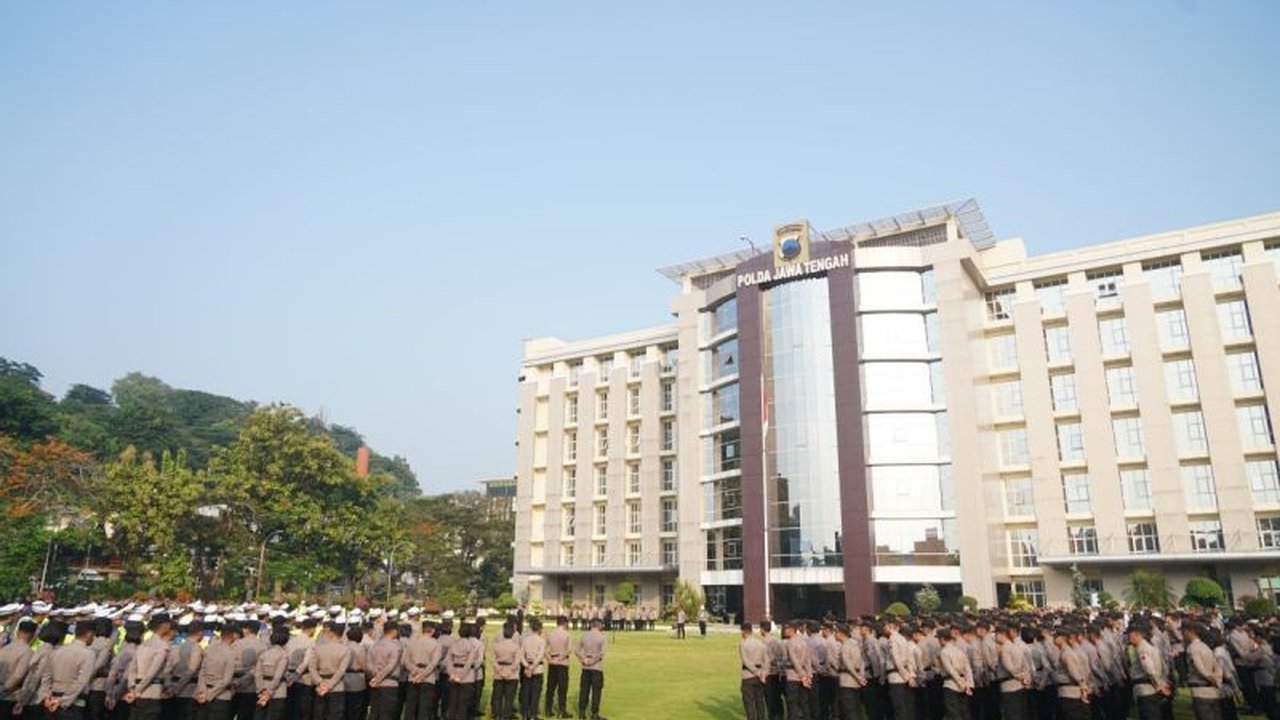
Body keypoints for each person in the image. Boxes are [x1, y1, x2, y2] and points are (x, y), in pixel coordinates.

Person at [39, 620, 95, 720]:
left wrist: (45, 696)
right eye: (93, 635)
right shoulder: (88, 654)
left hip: (51, 699)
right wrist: (62, 701)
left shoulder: (57, 651)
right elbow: (81, 682)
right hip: (73, 703)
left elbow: (46, 676)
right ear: (89, 634)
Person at [127, 615, 176, 720]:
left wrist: (132, 687)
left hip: (136, 691)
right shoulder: (162, 646)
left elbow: (132, 669)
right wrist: (136, 691)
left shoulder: (143, 644)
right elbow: (151, 673)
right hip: (151, 692)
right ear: (164, 625)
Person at [306, 623, 351, 720]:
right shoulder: (345, 650)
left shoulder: (318, 648)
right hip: (337, 686)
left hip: (320, 686)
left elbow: (312, 668)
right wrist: (329, 685)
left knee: (319, 714)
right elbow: (341, 670)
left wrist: (320, 682)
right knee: (335, 715)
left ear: (330, 633)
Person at [195, 624, 239, 720]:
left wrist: (203, 691)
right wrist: (209, 695)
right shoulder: (231, 653)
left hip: (203, 694)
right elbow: (226, 680)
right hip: (221, 697)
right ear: (234, 635)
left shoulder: (209, 649)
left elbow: (202, 672)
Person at [1185, 622, 1224, 720]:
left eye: (1185, 631)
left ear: (1191, 632)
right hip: (1213, 689)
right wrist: (1217, 679)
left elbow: (1199, 666)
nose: (1183, 634)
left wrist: (1210, 678)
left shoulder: (1192, 648)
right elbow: (1217, 665)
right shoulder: (1205, 647)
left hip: (1200, 689)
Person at [402, 621, 440, 720]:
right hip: (428, 678)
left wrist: (416, 671)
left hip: (412, 676)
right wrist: (422, 675)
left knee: (410, 708)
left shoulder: (412, 642)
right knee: (424, 709)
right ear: (433, 631)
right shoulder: (435, 644)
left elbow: (406, 660)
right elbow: (433, 663)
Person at [1, 620, 37, 719]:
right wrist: (4, 689)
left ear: (17, 632)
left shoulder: (4, 648)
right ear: (33, 634)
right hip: (10, 697)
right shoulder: (27, 652)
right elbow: (18, 675)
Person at [366, 622, 402, 720]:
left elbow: (369, 663)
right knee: (387, 714)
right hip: (389, 683)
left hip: (374, 683)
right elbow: (390, 666)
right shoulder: (395, 646)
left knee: (374, 713)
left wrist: (376, 677)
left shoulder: (374, 645)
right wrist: (379, 678)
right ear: (394, 631)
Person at [443, 625, 480, 720]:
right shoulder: (470, 646)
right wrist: (461, 675)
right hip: (466, 677)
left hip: (454, 674)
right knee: (463, 705)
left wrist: (452, 673)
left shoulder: (454, 644)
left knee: (453, 702)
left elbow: (448, 660)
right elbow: (469, 663)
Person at [171, 621, 205, 720]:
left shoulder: (178, 646)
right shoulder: (196, 648)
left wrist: (174, 688)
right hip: (189, 691)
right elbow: (191, 671)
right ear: (200, 633)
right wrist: (178, 688)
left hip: (176, 688)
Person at [252, 626, 289, 720]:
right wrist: (269, 691)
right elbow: (278, 676)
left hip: (262, 689)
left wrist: (261, 689)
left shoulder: (264, 654)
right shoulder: (283, 655)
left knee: (260, 715)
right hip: (277, 691)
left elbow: (257, 674)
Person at [574, 619, 607, 720]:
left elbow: (576, 650)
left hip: (585, 667)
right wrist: (593, 661)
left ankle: (582, 712)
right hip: (596, 667)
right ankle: (594, 713)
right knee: (596, 691)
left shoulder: (584, 635)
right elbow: (601, 653)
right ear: (599, 625)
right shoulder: (602, 637)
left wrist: (583, 659)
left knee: (584, 690)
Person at [938, 627, 972, 720]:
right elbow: (967, 668)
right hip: (963, 682)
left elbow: (950, 670)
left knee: (953, 713)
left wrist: (961, 683)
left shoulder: (944, 652)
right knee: (964, 711)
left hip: (951, 684)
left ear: (942, 639)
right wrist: (968, 684)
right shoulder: (959, 650)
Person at [543, 617, 570, 720]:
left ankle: (548, 710)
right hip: (562, 663)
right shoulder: (566, 634)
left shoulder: (551, 633)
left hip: (552, 662)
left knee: (550, 687)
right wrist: (561, 658)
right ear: (564, 623)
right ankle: (561, 711)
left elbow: (545, 649)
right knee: (562, 688)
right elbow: (568, 650)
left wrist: (549, 659)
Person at [490, 624, 519, 720]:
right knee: (509, 697)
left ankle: (497, 715)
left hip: (499, 673)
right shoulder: (516, 646)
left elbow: (493, 659)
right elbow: (517, 661)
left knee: (498, 696)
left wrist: (499, 670)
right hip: (511, 674)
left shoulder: (496, 645)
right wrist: (509, 671)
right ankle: (507, 715)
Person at [519, 619, 545, 720]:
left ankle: (525, 713)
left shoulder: (525, 640)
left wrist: (526, 666)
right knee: (535, 692)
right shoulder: (541, 640)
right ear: (539, 629)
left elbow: (521, 655)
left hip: (526, 667)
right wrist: (532, 667)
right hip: (537, 668)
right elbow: (540, 656)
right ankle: (533, 714)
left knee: (526, 691)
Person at [784, 622, 811, 720]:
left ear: (791, 630)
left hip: (793, 675)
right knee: (804, 702)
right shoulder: (804, 641)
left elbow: (794, 661)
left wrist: (802, 676)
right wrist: (808, 675)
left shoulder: (790, 642)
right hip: (804, 675)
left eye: (786, 629)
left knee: (792, 702)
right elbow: (808, 660)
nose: (784, 631)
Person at [341, 627, 367, 720]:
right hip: (357, 680)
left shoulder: (342, 646)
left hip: (343, 679)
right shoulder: (360, 648)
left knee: (344, 707)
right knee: (355, 708)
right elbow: (364, 666)